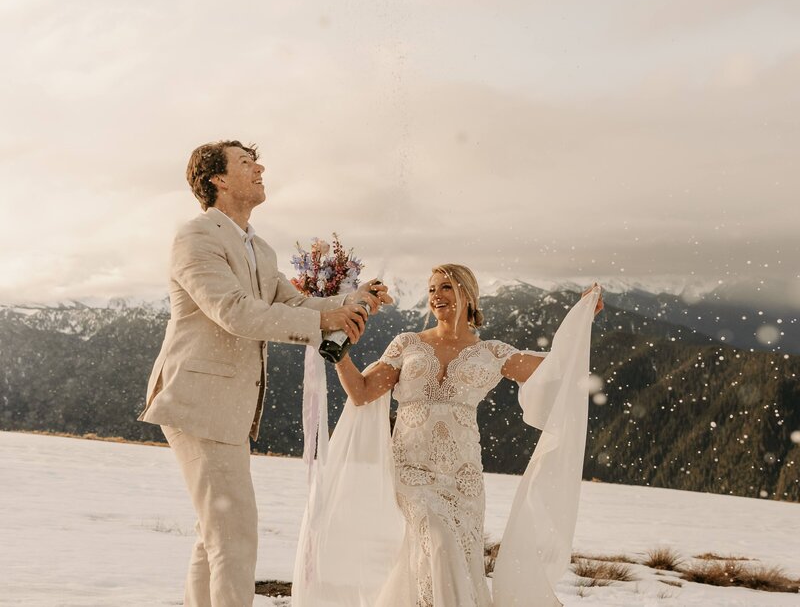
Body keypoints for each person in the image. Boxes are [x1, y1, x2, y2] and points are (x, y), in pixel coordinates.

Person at [138, 139, 391, 607]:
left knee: (214, 532)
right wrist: (324, 321)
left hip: (227, 409)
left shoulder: (260, 248)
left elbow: (296, 305)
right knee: (233, 535)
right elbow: (234, 313)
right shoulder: (196, 237)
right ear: (217, 179)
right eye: (246, 163)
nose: (260, 168)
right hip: (197, 401)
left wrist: (355, 301)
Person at [331, 263, 602, 606]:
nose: (436, 296)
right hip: (411, 471)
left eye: (445, 287)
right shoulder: (407, 344)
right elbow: (362, 392)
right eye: (431, 290)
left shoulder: (490, 353)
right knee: (440, 545)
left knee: (458, 561)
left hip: (463, 479)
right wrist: (338, 354)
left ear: (468, 295)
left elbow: (555, 369)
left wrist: (582, 322)